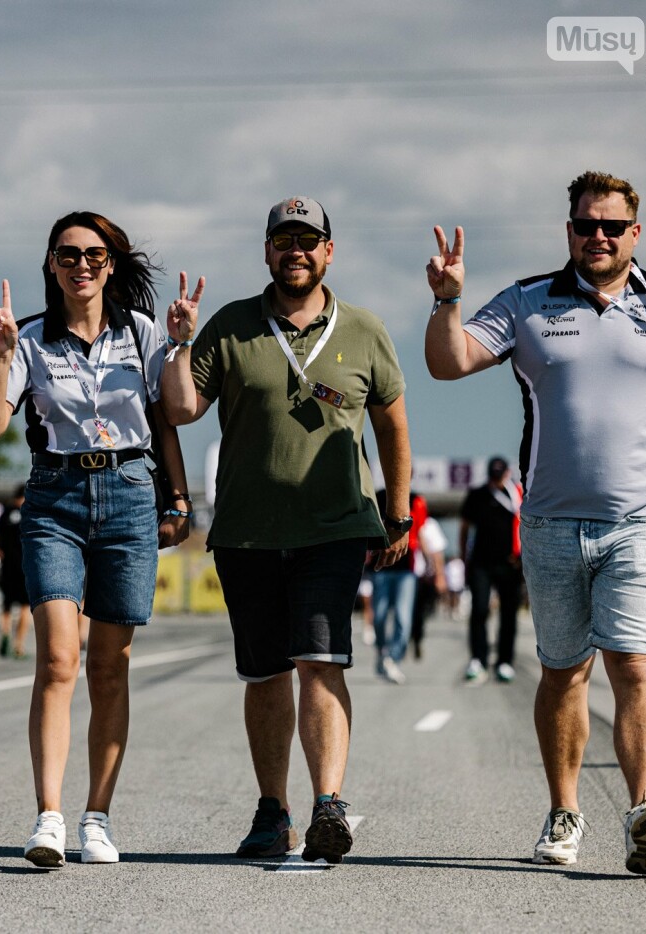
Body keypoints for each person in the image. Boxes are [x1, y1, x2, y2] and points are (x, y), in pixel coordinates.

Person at [424, 171, 646, 875]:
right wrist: (447, 300)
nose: (599, 235)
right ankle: (564, 811)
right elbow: (448, 363)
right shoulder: (528, 302)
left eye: (612, 225)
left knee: (635, 667)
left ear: (635, 233)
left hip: (643, 522)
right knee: (563, 673)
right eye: (586, 224)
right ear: (569, 231)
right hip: (551, 526)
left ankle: (644, 809)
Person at [163, 196, 411, 864]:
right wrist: (181, 343)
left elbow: (392, 422)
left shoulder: (363, 329)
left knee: (320, 660)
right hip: (246, 530)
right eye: (283, 241)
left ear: (329, 251)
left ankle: (329, 804)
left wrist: (400, 510)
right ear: (266, 252)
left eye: (308, 241)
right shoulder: (233, 325)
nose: (295, 251)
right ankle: (273, 811)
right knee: (266, 673)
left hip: (333, 527)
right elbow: (182, 409)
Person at [0, 210, 192, 869]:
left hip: (128, 496)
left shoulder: (143, 332)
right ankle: (48, 818)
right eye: (67, 255)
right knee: (59, 661)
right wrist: (3, 353)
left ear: (112, 265)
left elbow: (175, 414)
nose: (81, 266)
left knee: (109, 666)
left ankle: (97, 817)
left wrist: (181, 347)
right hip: (54, 500)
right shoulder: (32, 339)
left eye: (94, 255)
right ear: (51, 265)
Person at [459, 456, 524, 684]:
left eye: (500, 475)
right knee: (478, 610)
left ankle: (505, 661)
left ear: (507, 473)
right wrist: (463, 559)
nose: (497, 480)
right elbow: (465, 528)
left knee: (509, 614)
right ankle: (478, 659)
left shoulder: (516, 495)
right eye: (493, 476)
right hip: (481, 563)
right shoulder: (477, 495)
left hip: (511, 564)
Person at [370, 490, 429, 683]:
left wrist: (431, 564)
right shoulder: (377, 496)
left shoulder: (417, 500)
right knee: (378, 616)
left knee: (403, 617)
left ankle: (392, 659)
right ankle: (382, 651)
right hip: (380, 567)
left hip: (406, 569)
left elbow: (420, 533)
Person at [0, 484, 32, 660]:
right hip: (25, 564)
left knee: (7, 605)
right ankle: (18, 645)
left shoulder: (6, 512)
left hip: (7, 565)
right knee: (25, 606)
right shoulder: (29, 512)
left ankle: (4, 634)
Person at [410, 512, 447, 661]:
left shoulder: (429, 524)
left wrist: (439, 576)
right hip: (406, 573)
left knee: (419, 612)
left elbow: (437, 553)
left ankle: (416, 637)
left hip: (423, 577)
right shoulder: (398, 519)